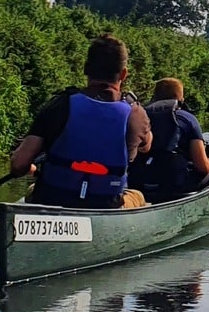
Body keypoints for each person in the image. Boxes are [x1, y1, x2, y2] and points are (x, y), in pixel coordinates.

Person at [10, 35, 152, 209]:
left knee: (33, 189)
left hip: (51, 198)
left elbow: (18, 165)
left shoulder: (59, 105)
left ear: (85, 69)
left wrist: (32, 169)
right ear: (124, 74)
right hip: (106, 204)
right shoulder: (136, 114)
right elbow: (146, 147)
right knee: (138, 196)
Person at [132, 78, 209, 203]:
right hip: (175, 186)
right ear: (180, 98)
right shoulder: (188, 119)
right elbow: (202, 166)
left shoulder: (139, 117)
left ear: (155, 96)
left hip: (140, 183)